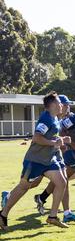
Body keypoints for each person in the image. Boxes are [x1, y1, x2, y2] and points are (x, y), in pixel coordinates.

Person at [1, 92, 70, 230]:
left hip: (48, 161)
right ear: (51, 105)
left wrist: (61, 142)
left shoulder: (55, 118)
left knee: (62, 182)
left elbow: (54, 139)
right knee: (23, 187)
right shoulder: (46, 119)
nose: (61, 105)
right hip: (35, 161)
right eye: (59, 103)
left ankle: (52, 216)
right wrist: (54, 143)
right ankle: (3, 214)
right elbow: (37, 138)